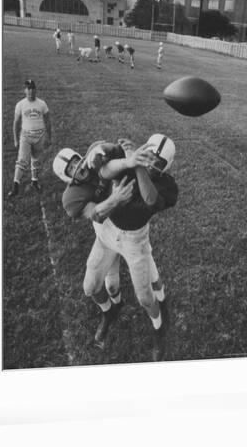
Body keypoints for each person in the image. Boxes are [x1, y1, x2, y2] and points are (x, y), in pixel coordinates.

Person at [54, 135, 178, 361]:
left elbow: (150, 199)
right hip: (107, 233)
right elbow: (106, 168)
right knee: (90, 286)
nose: (150, 162)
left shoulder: (168, 187)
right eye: (149, 156)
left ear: (166, 166)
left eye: (157, 162)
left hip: (134, 239)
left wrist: (135, 163)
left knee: (145, 298)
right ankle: (110, 311)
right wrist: (122, 160)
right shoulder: (75, 195)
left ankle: (159, 329)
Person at [7, 80, 52, 197]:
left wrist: (49, 137)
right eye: (28, 88)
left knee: (36, 159)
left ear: (35, 90)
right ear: (25, 90)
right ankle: (15, 186)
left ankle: (34, 181)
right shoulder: (20, 104)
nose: (30, 91)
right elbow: (16, 123)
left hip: (39, 136)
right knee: (22, 160)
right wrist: (16, 139)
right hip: (25, 136)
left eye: (32, 88)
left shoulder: (42, 104)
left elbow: (47, 121)